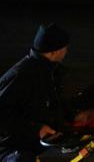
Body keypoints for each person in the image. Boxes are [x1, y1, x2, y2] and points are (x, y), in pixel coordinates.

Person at [0, 24, 70, 162]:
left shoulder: (49, 72)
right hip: (11, 147)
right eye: (64, 48)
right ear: (53, 52)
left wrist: (73, 116)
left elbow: (52, 105)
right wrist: (36, 129)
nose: (66, 52)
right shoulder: (22, 75)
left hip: (36, 141)